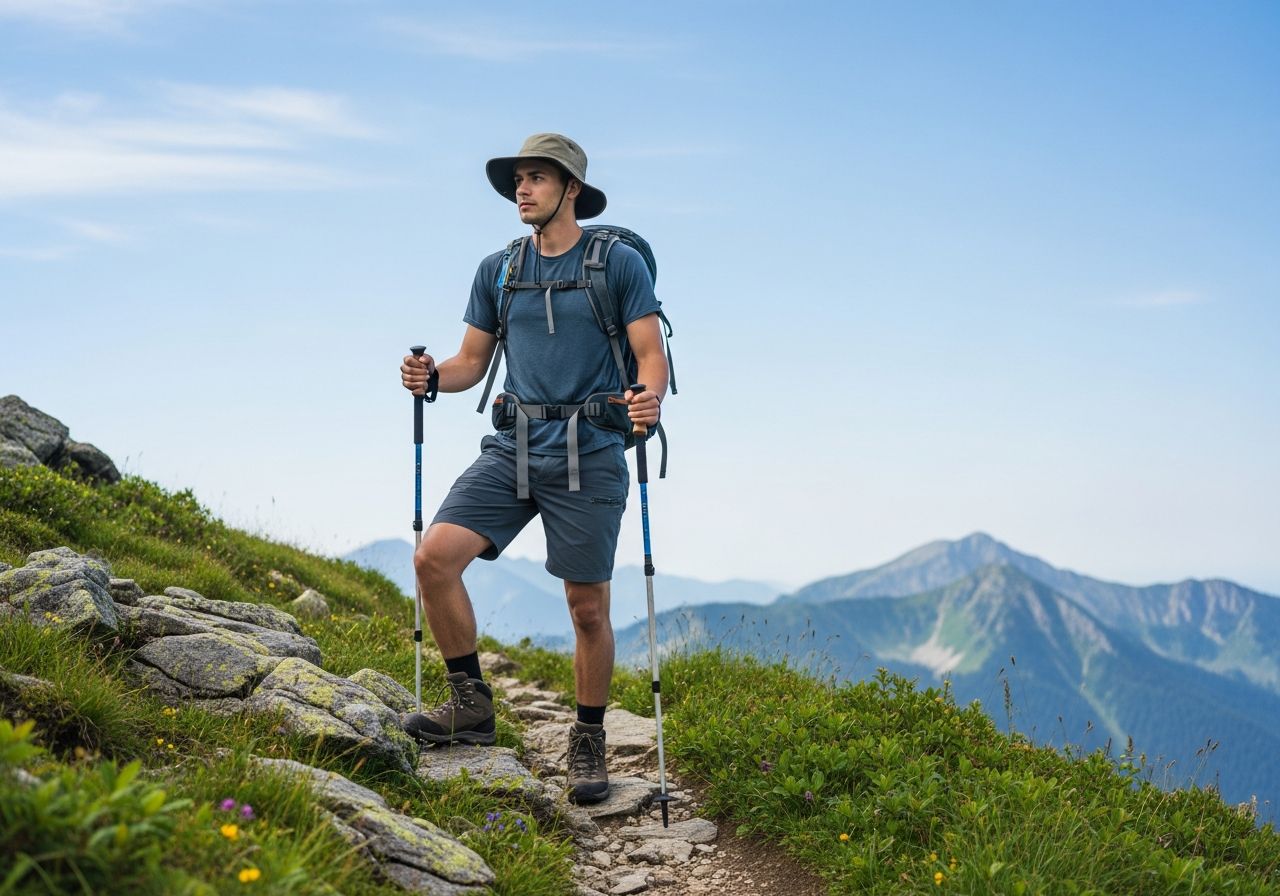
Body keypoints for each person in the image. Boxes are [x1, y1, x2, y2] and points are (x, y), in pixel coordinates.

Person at [399, 133, 669, 804]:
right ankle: (471, 705)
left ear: (570, 188)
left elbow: (648, 351)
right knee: (434, 558)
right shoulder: (498, 270)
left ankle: (587, 740)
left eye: (537, 179)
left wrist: (648, 400)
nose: (522, 189)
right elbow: (470, 362)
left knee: (585, 608)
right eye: (518, 179)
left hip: (592, 451)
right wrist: (433, 377)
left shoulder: (619, 265)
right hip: (514, 447)